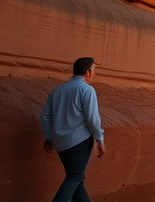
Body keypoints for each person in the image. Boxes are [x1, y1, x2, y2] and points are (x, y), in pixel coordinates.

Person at [41, 57, 106, 202]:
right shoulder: (87, 90)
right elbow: (92, 119)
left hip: (60, 143)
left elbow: (45, 114)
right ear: (87, 72)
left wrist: (49, 136)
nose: (94, 73)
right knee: (75, 177)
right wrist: (100, 139)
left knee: (77, 178)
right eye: (94, 70)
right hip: (79, 142)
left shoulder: (58, 89)